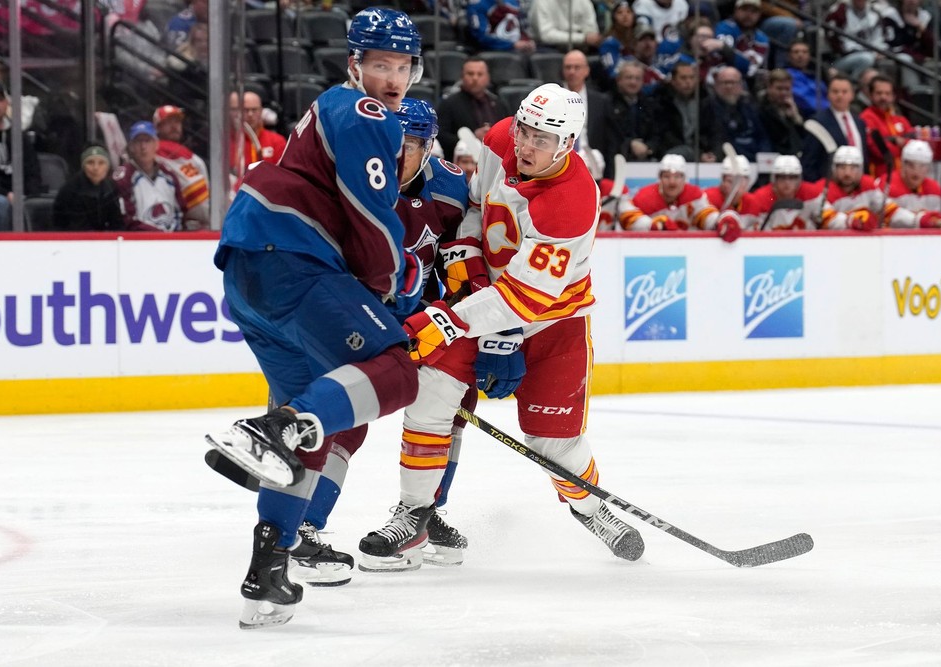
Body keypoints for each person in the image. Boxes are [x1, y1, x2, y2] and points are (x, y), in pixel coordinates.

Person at [358, 82, 645, 572]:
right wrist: (467, 254)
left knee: (552, 442)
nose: (526, 146)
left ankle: (591, 508)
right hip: (483, 302)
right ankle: (414, 515)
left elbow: (525, 299)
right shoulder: (498, 140)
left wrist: (449, 321)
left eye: (542, 140)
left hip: (551, 323)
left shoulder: (572, 201)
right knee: (431, 394)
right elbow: (474, 206)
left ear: (568, 145)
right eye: (525, 131)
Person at [203, 8, 426, 630]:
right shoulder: (361, 112)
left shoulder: (330, 109)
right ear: (354, 64)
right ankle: (277, 428)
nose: (392, 78)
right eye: (381, 64)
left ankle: (267, 574)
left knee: (311, 425)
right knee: (397, 371)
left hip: (253, 271)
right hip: (290, 259)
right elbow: (370, 213)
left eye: (403, 66)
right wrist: (395, 282)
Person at [297, 97, 472, 575]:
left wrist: (454, 315)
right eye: (390, 144)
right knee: (345, 419)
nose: (397, 157)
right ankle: (304, 524)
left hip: (428, 321)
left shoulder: (454, 189)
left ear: (429, 146)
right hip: (358, 315)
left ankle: (422, 513)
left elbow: (467, 258)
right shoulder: (348, 178)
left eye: (410, 146)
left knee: (450, 408)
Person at [618, 153, 742, 241]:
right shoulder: (645, 197)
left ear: (684, 179)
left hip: (688, 253)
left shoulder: (693, 195)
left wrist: (720, 220)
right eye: (667, 177)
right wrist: (652, 225)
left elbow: (706, 215)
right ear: (659, 179)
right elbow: (628, 219)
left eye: (677, 177)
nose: (672, 182)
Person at [819, 145, 936, 230]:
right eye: (842, 167)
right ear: (834, 169)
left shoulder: (868, 185)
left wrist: (917, 220)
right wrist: (851, 220)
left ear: (860, 170)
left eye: (853, 168)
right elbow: (827, 220)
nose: (847, 173)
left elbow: (890, 210)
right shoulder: (823, 189)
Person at [112, 121, 189, 232]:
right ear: (131, 146)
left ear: (156, 144)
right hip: (139, 243)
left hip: (171, 242)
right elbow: (126, 219)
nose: (143, 147)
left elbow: (181, 211)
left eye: (147, 141)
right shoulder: (124, 177)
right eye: (138, 141)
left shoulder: (169, 175)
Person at [800, 74, 870, 182]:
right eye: (835, 91)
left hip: (858, 187)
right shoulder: (818, 123)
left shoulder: (859, 123)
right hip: (829, 187)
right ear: (828, 94)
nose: (840, 95)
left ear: (852, 95)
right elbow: (809, 163)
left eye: (844, 92)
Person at [436, 58, 509, 158]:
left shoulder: (498, 104)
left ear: (488, 78)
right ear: (462, 77)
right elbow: (440, 136)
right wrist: (471, 139)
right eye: (470, 74)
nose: (475, 78)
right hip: (461, 162)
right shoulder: (449, 104)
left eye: (480, 74)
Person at [153, 105, 210, 229]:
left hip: (204, 224)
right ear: (157, 127)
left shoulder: (191, 156)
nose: (174, 126)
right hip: (177, 224)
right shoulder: (153, 154)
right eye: (168, 122)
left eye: (177, 121)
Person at [561, 50, 617, 176]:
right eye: (568, 67)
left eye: (577, 67)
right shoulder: (553, 97)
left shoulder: (601, 101)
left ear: (587, 70)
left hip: (592, 163)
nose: (572, 72)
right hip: (558, 160)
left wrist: (610, 174)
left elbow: (610, 140)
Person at [0, 81, 41, 232]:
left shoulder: (18, 136)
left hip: (18, 195)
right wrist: (6, 194)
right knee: (0, 203)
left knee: (34, 205)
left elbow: (33, 171)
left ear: (7, 103)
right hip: (0, 196)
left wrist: (27, 194)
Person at [747, 155, 837, 230]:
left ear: (799, 179)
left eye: (792, 177)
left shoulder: (811, 193)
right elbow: (751, 229)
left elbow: (831, 217)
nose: (787, 182)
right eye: (782, 177)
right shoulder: (761, 197)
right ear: (774, 179)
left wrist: (849, 221)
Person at [703, 66, 771, 162]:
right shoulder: (708, 106)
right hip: (728, 159)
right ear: (716, 85)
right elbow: (715, 139)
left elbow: (762, 136)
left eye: (733, 82)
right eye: (725, 82)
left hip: (755, 158)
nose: (729, 86)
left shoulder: (751, 105)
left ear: (741, 85)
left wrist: (764, 156)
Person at [652, 61, 717, 161]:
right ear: (673, 81)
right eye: (683, 78)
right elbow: (665, 135)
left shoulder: (705, 100)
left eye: (692, 78)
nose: (688, 82)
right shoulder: (662, 101)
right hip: (673, 154)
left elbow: (713, 132)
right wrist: (697, 155)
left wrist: (712, 153)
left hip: (702, 153)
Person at [52, 144, 122, 231]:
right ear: (83, 166)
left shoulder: (111, 188)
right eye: (90, 163)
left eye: (101, 163)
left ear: (107, 167)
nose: (96, 168)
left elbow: (117, 223)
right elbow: (75, 228)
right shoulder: (70, 190)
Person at [877, 139, 941, 226]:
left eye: (922, 166)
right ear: (903, 164)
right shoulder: (887, 183)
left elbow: (935, 220)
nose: (916, 171)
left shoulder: (934, 189)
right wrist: (919, 220)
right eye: (911, 165)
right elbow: (889, 216)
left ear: (928, 168)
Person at [859, 75, 914, 180]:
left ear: (893, 96)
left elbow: (914, 144)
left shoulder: (900, 119)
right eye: (879, 93)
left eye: (887, 93)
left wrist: (894, 141)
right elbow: (879, 150)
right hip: (878, 178)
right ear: (870, 95)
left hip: (903, 179)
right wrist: (901, 144)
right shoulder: (866, 118)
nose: (883, 97)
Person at [609, 59, 662, 162]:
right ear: (619, 80)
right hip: (617, 158)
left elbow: (657, 134)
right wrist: (629, 144)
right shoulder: (608, 103)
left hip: (646, 158)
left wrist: (649, 148)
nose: (633, 82)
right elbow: (609, 135)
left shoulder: (650, 104)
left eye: (638, 79)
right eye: (629, 78)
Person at [825, 0, 888, 78]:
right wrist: (872, 54)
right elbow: (839, 44)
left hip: (870, 54)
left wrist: (878, 51)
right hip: (840, 59)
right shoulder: (839, 11)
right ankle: (853, 86)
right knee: (866, 59)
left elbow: (879, 37)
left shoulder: (874, 11)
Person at [715, 0, 770, 85]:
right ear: (735, 10)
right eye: (744, 9)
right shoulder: (725, 27)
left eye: (753, 11)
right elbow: (723, 56)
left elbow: (751, 69)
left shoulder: (762, 38)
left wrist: (726, 48)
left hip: (749, 83)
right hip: (723, 79)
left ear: (759, 15)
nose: (748, 15)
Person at [758, 68, 804, 156]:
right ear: (769, 87)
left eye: (787, 89)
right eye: (779, 89)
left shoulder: (794, 106)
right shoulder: (760, 108)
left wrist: (796, 118)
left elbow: (804, 137)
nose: (783, 93)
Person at [529, 0, 603, 51]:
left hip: (580, 47)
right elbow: (546, 35)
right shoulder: (541, 2)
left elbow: (592, 33)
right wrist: (582, 38)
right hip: (548, 47)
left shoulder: (584, 2)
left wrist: (586, 38)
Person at [467, 0, 536, 53]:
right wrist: (512, 45)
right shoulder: (477, 4)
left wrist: (527, 42)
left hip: (518, 50)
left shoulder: (514, 2)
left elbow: (523, 28)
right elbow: (481, 37)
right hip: (492, 51)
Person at [786, 39, 828, 120]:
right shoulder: (786, 75)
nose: (800, 55)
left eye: (804, 52)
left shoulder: (816, 76)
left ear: (809, 56)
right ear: (789, 56)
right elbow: (803, 99)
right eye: (796, 52)